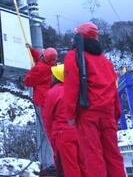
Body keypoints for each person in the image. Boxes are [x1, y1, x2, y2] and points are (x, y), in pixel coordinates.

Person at [63, 22, 125, 177]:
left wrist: (70, 115)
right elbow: (113, 89)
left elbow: (72, 86)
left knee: (93, 157)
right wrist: (116, 114)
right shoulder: (106, 61)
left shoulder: (74, 56)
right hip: (108, 115)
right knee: (114, 157)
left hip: (87, 115)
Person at [42, 64, 86, 177]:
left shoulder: (53, 93)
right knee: (84, 166)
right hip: (81, 134)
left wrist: (53, 139)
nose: (51, 77)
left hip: (63, 135)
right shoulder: (78, 91)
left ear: (57, 77)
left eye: (53, 75)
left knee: (70, 168)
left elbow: (47, 119)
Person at [23, 43, 58, 171]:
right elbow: (40, 58)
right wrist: (31, 50)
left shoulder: (40, 69)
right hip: (52, 101)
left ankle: (50, 162)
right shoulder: (53, 65)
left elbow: (28, 81)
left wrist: (31, 71)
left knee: (47, 131)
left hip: (43, 102)